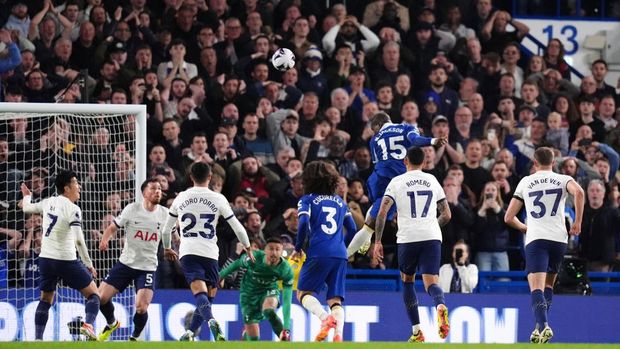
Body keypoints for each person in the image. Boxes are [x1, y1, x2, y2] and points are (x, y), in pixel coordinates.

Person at [161, 162, 255, 341]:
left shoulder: (181, 197)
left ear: (191, 177)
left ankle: (194, 330)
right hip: (210, 253)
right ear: (210, 177)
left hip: (188, 252)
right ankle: (202, 326)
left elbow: (166, 229)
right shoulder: (218, 198)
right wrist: (248, 247)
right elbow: (237, 226)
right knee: (209, 295)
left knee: (201, 295)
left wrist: (167, 247)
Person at [505, 147, 585, 343]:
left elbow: (509, 217)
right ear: (554, 162)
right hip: (559, 239)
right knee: (548, 285)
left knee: (536, 287)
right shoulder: (563, 179)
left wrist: (525, 228)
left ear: (534, 162)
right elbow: (580, 193)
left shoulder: (526, 181)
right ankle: (538, 328)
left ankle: (544, 325)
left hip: (537, 238)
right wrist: (577, 222)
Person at [373, 147, 452, 342]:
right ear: (424, 162)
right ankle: (440, 305)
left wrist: (377, 241)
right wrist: (432, 225)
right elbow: (447, 214)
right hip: (431, 235)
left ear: (405, 161)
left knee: (408, 281)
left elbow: (382, 213)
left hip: (408, 237)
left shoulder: (397, 182)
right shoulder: (432, 180)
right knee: (431, 282)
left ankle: (417, 331)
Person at [346, 112, 446, 257]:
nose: (375, 132)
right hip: (396, 180)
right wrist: (432, 141)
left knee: (375, 211)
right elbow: (416, 140)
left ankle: (365, 241)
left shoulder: (374, 139)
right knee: (369, 226)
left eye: (375, 129)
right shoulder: (406, 127)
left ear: (379, 125)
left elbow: (378, 162)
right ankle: (346, 254)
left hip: (377, 178)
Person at [21, 170, 100, 340]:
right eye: (75, 183)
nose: (79, 186)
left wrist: (27, 196)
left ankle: (38, 339)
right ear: (66, 188)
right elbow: (79, 241)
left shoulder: (48, 202)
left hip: (46, 259)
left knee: (46, 299)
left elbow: (27, 208)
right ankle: (88, 325)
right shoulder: (73, 209)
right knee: (94, 295)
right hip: (65, 259)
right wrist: (89, 264)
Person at [96, 178, 171, 341]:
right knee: (100, 298)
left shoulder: (165, 214)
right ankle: (111, 323)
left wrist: (172, 246)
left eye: (159, 189)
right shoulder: (132, 209)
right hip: (126, 264)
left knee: (141, 307)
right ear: (144, 193)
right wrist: (105, 239)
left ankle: (134, 337)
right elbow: (113, 227)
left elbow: (172, 234)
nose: (158, 191)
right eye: (153, 188)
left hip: (147, 267)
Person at [291, 161, 357, 342]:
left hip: (319, 252)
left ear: (308, 180)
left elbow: (303, 223)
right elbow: (352, 229)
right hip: (340, 254)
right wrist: (342, 246)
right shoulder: (341, 203)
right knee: (335, 299)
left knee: (303, 293)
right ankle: (338, 335)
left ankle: (324, 319)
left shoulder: (307, 200)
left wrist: (298, 248)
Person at [218, 237, 293, 341]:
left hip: (268, 290)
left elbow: (287, 300)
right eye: (271, 249)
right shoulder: (254, 257)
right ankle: (246, 336)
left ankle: (284, 337)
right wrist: (221, 276)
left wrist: (287, 327)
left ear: (282, 251)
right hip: (248, 294)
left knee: (268, 310)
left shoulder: (285, 270)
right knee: (254, 339)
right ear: (265, 250)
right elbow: (237, 264)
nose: (274, 253)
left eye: (277, 249)